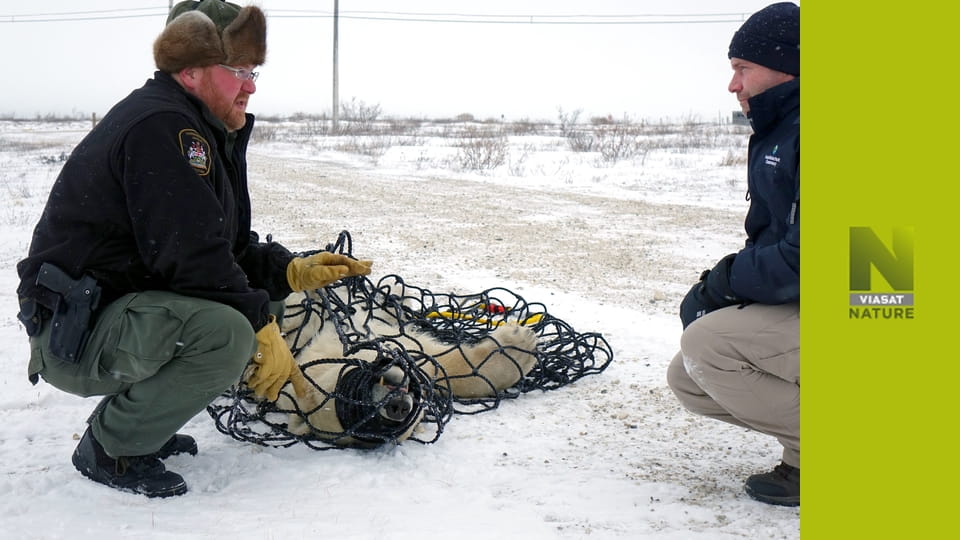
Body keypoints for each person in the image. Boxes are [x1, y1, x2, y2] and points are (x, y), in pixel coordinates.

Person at [16, 0, 371, 498]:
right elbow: (191, 256)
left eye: (253, 72)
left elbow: (221, 245)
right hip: (73, 333)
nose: (250, 86)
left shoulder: (194, 126)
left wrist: (290, 270)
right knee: (228, 332)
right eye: (238, 71)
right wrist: (256, 326)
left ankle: (143, 421)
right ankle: (112, 448)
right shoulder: (163, 127)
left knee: (261, 301)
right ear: (190, 71)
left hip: (105, 313)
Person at [666, 2, 800, 507]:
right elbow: (772, 242)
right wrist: (731, 290)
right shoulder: (783, 131)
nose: (733, 84)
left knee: (712, 346)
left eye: (743, 68)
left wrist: (720, 286)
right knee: (689, 376)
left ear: (789, 65)